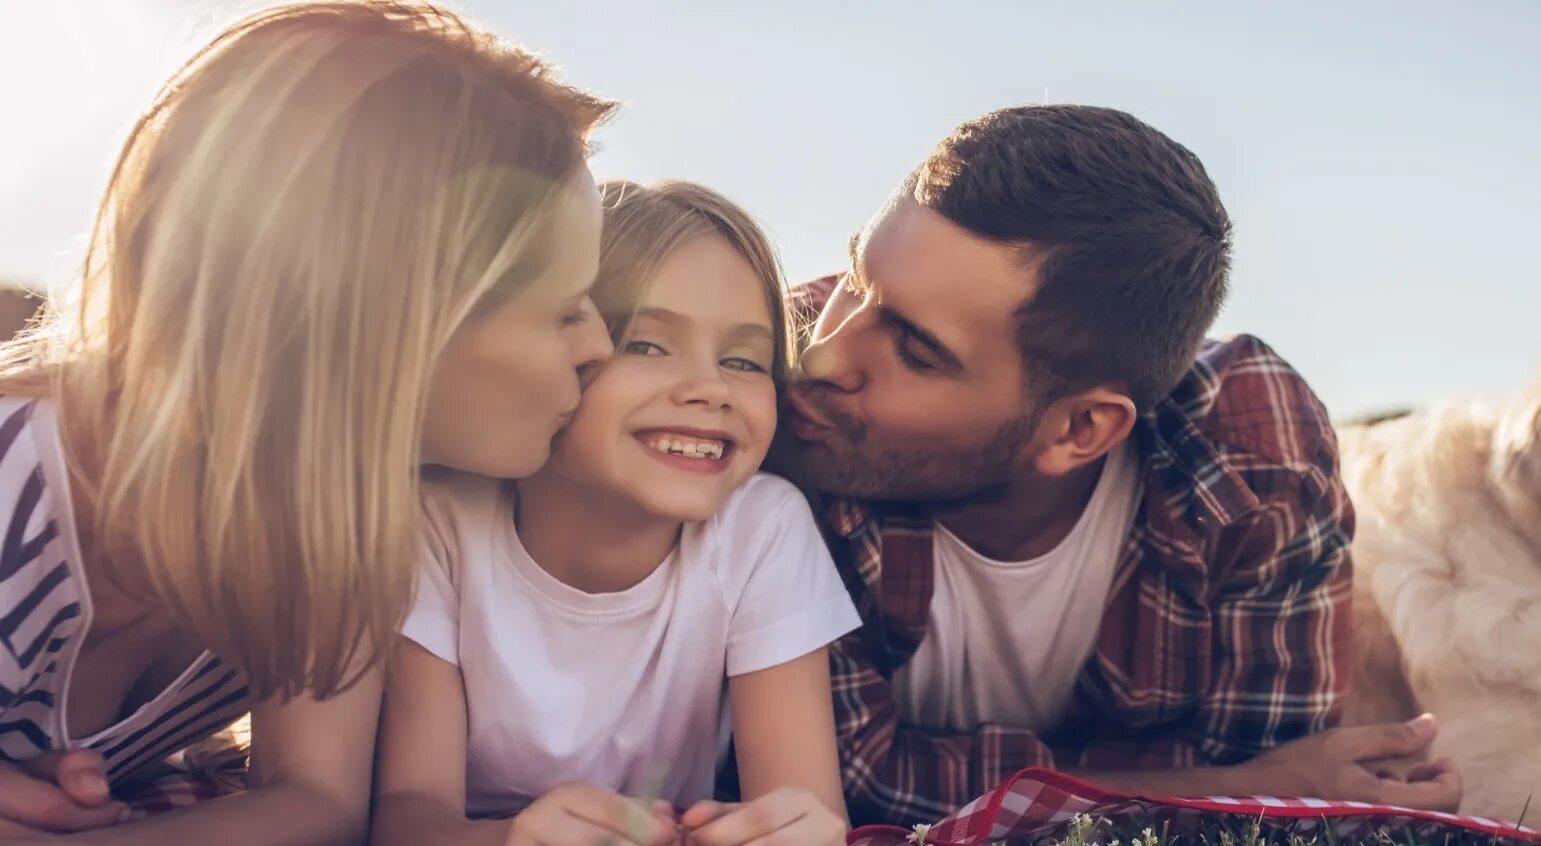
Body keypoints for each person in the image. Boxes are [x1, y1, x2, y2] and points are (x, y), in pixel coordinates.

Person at [0, 3, 615, 841]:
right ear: (390, 316)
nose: (600, 347)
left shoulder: (349, 523)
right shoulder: (17, 478)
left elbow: (313, 800)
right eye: (564, 309)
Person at [774, 105, 1464, 824]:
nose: (823, 353)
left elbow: (1256, 771)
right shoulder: (763, 386)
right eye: (856, 279)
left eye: (915, 352)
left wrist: (1245, 782)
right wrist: (1213, 785)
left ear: (1081, 429)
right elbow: (848, 778)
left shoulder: (1250, 454)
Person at [373, 181, 857, 846]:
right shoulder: (437, 523)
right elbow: (406, 818)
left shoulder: (762, 529)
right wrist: (514, 839)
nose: (711, 389)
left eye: (744, 360)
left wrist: (791, 829)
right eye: (647, 345)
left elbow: (799, 802)